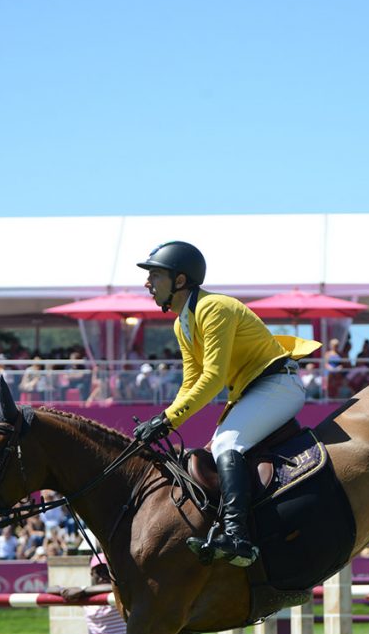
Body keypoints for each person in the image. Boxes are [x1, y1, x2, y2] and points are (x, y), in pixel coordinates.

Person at [134, 240, 320, 566]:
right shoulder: (183, 323)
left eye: (155, 275)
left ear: (180, 281)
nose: (147, 283)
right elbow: (191, 381)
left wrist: (168, 421)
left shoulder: (213, 308)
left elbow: (214, 378)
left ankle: (238, 537)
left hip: (278, 385)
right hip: (254, 392)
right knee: (212, 450)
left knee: (227, 443)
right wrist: (164, 418)